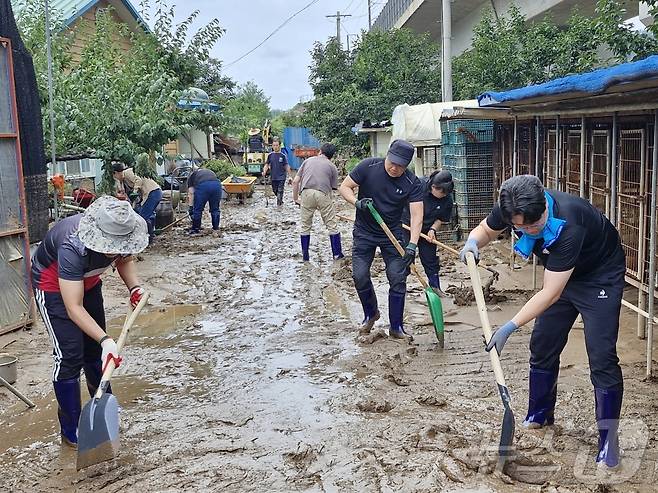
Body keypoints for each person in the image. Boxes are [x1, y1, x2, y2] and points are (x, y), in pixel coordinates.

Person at [458, 175, 626, 471]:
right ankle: (539, 414)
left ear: (544, 210)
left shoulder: (570, 222)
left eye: (532, 227)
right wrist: (472, 242)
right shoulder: (512, 205)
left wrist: (510, 325)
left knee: (601, 355)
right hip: (560, 274)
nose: (524, 231)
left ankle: (609, 441)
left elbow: (550, 292)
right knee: (544, 342)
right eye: (518, 227)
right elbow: (486, 229)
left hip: (598, 275)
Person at [31, 195, 148, 448]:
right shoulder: (73, 246)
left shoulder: (122, 230)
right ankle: (70, 428)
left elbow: (124, 259)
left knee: (95, 353)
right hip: (52, 286)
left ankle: (102, 409)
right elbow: (73, 307)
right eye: (111, 245)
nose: (116, 249)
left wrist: (134, 288)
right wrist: (107, 340)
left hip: (89, 281)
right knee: (70, 355)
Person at [339, 139, 424, 339]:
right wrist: (357, 202)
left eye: (400, 165)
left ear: (407, 165)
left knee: (397, 277)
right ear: (387, 155)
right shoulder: (368, 167)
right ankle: (371, 313)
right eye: (392, 162)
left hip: (392, 235)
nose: (394, 168)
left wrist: (412, 244)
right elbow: (345, 187)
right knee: (359, 275)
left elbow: (417, 215)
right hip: (364, 232)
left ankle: (396, 327)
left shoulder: (412, 182)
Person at [401, 169, 454, 297]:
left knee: (430, 259)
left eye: (444, 193)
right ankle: (400, 287)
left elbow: (441, 218)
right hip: (407, 226)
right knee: (405, 256)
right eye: (439, 191)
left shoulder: (447, 200)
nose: (442, 195)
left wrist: (433, 229)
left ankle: (435, 287)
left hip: (426, 230)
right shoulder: (418, 186)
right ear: (433, 186)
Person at [292, 143, 342, 261]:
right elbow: (332, 188)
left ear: (320, 151)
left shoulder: (308, 161)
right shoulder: (332, 166)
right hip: (323, 193)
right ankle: (337, 254)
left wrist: (295, 199)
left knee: (305, 226)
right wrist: (325, 204)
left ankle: (305, 257)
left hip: (306, 193)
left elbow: (295, 182)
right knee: (331, 225)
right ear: (332, 156)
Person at [113, 162, 163, 244]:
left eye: (115, 176)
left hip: (152, 192)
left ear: (117, 173)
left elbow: (138, 180)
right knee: (148, 216)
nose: (116, 178)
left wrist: (135, 191)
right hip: (154, 193)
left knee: (142, 218)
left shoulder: (128, 172)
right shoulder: (124, 180)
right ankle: (150, 236)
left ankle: (146, 240)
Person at [186, 165, 222, 235]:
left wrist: (191, 208)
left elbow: (191, 193)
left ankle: (196, 229)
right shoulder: (209, 171)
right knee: (215, 209)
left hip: (203, 186)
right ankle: (216, 228)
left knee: (198, 210)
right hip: (217, 185)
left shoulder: (192, 176)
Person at [263, 140, 292, 206]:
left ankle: (279, 206)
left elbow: (286, 165)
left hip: (281, 176)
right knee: (275, 190)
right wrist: (264, 171)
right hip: (273, 176)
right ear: (272, 146)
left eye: (277, 145)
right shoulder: (270, 155)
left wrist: (290, 176)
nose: (275, 147)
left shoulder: (283, 156)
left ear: (279, 146)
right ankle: (280, 200)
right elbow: (267, 164)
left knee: (280, 191)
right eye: (274, 145)